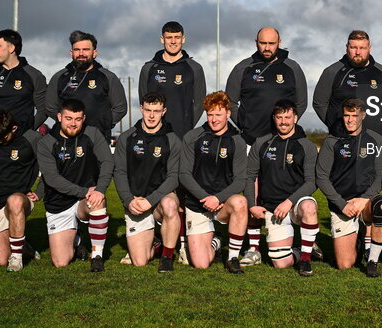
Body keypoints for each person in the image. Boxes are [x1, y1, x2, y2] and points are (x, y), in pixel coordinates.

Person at [228, 26, 309, 265]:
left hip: (283, 142)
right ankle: (253, 248)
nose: (267, 48)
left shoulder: (292, 68)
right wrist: (245, 122)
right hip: (251, 141)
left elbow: (301, 103)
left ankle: (300, 241)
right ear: (256, 42)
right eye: (262, 43)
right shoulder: (243, 68)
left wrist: (286, 127)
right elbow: (231, 100)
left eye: (271, 43)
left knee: (286, 187)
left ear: (279, 42)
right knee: (251, 191)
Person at [37, 99, 115, 272]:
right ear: (59, 117)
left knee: (98, 201)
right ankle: (77, 240)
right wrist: (85, 190)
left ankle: (97, 255)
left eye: (78, 119)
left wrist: (99, 190)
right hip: (59, 202)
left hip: (84, 200)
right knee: (61, 262)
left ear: (84, 118)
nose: (73, 123)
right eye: (68, 118)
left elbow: (108, 162)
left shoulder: (93, 134)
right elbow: (52, 179)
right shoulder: (46, 143)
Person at [315, 99, 382, 277]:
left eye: (354, 115)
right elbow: (321, 177)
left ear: (363, 115)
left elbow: (381, 176)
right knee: (345, 264)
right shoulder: (332, 141)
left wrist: (365, 198)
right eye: (347, 115)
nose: (350, 120)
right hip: (342, 205)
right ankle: (359, 238)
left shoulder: (376, 140)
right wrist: (342, 204)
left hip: (365, 201)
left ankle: (372, 260)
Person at [246, 99, 321, 277]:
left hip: (296, 205)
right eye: (279, 117)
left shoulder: (306, 146)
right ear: (274, 118)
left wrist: (289, 202)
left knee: (309, 207)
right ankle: (303, 249)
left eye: (287, 117)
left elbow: (311, 182)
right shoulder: (261, 143)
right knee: (280, 263)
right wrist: (251, 204)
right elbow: (250, 176)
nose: (283, 122)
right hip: (272, 208)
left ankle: (305, 259)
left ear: (295, 118)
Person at [179, 92, 250, 272]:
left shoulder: (238, 141)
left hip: (223, 204)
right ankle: (216, 242)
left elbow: (241, 180)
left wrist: (218, 198)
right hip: (197, 203)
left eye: (218, 114)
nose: (214, 119)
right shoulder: (193, 137)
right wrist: (205, 197)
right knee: (201, 264)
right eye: (210, 114)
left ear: (228, 114)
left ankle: (233, 258)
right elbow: (184, 174)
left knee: (241, 203)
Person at [114, 92, 183, 271]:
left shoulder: (172, 139)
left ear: (164, 111)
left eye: (157, 111)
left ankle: (167, 257)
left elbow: (173, 177)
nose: (152, 115)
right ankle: (157, 243)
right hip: (136, 202)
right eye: (148, 110)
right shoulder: (126, 138)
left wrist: (150, 201)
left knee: (170, 204)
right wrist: (129, 201)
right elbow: (119, 172)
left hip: (158, 201)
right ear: (141, 109)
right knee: (140, 261)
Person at [0, 109, 42, 272]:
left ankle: (17, 258)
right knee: (0, 261)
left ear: (13, 128)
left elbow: (49, 166)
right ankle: (22, 245)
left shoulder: (32, 139)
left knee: (14, 200)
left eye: (3, 137)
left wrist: (40, 191)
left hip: (19, 199)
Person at [46, 30, 128, 137]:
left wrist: (103, 124)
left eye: (85, 49)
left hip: (97, 139)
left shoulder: (108, 77)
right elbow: (50, 107)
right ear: (71, 53)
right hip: (67, 139)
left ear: (94, 53)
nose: (81, 54)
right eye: (77, 50)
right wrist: (67, 124)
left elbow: (120, 108)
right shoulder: (59, 77)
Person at [313, 30, 382, 136]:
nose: (358, 52)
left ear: (369, 48)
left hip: (372, 139)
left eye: (362, 48)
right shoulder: (332, 71)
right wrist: (336, 126)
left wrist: (374, 125)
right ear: (347, 47)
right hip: (341, 138)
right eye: (353, 47)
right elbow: (319, 103)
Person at [138, 21, 207, 137]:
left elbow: (200, 103)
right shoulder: (148, 68)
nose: (173, 41)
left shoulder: (195, 68)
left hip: (182, 133)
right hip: (155, 134)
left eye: (177, 37)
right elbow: (143, 101)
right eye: (169, 37)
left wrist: (187, 125)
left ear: (183, 39)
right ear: (162, 39)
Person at [0, 29, 47, 133]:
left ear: (11, 48)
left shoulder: (34, 75)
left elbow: (43, 110)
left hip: (21, 142)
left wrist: (28, 132)